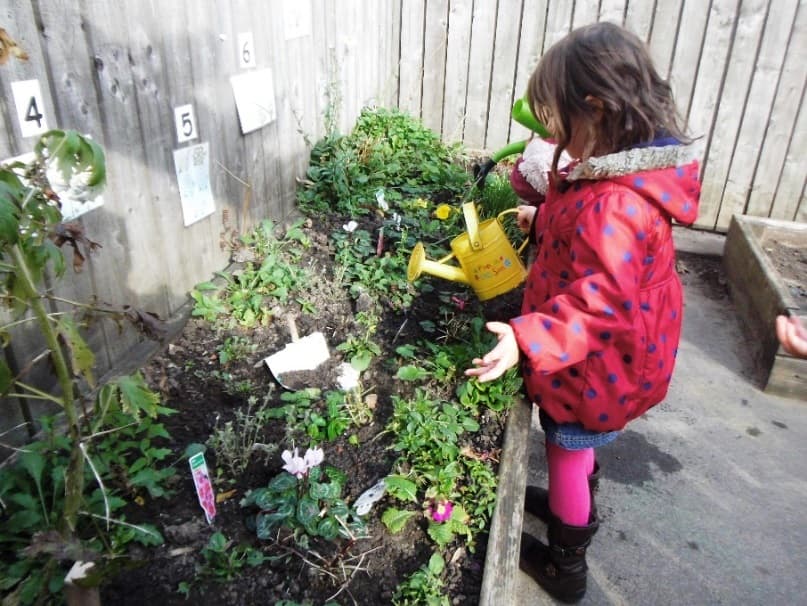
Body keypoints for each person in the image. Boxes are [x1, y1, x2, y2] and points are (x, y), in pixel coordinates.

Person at [465, 22, 701, 603]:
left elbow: (599, 303)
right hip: (606, 360)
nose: (551, 130)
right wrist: (541, 220)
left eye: (557, 115)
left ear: (594, 108)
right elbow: (583, 233)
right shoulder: (615, 172)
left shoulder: (617, 201)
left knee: (565, 446)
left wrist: (526, 338)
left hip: (594, 364)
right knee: (577, 442)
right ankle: (578, 498)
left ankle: (564, 565)